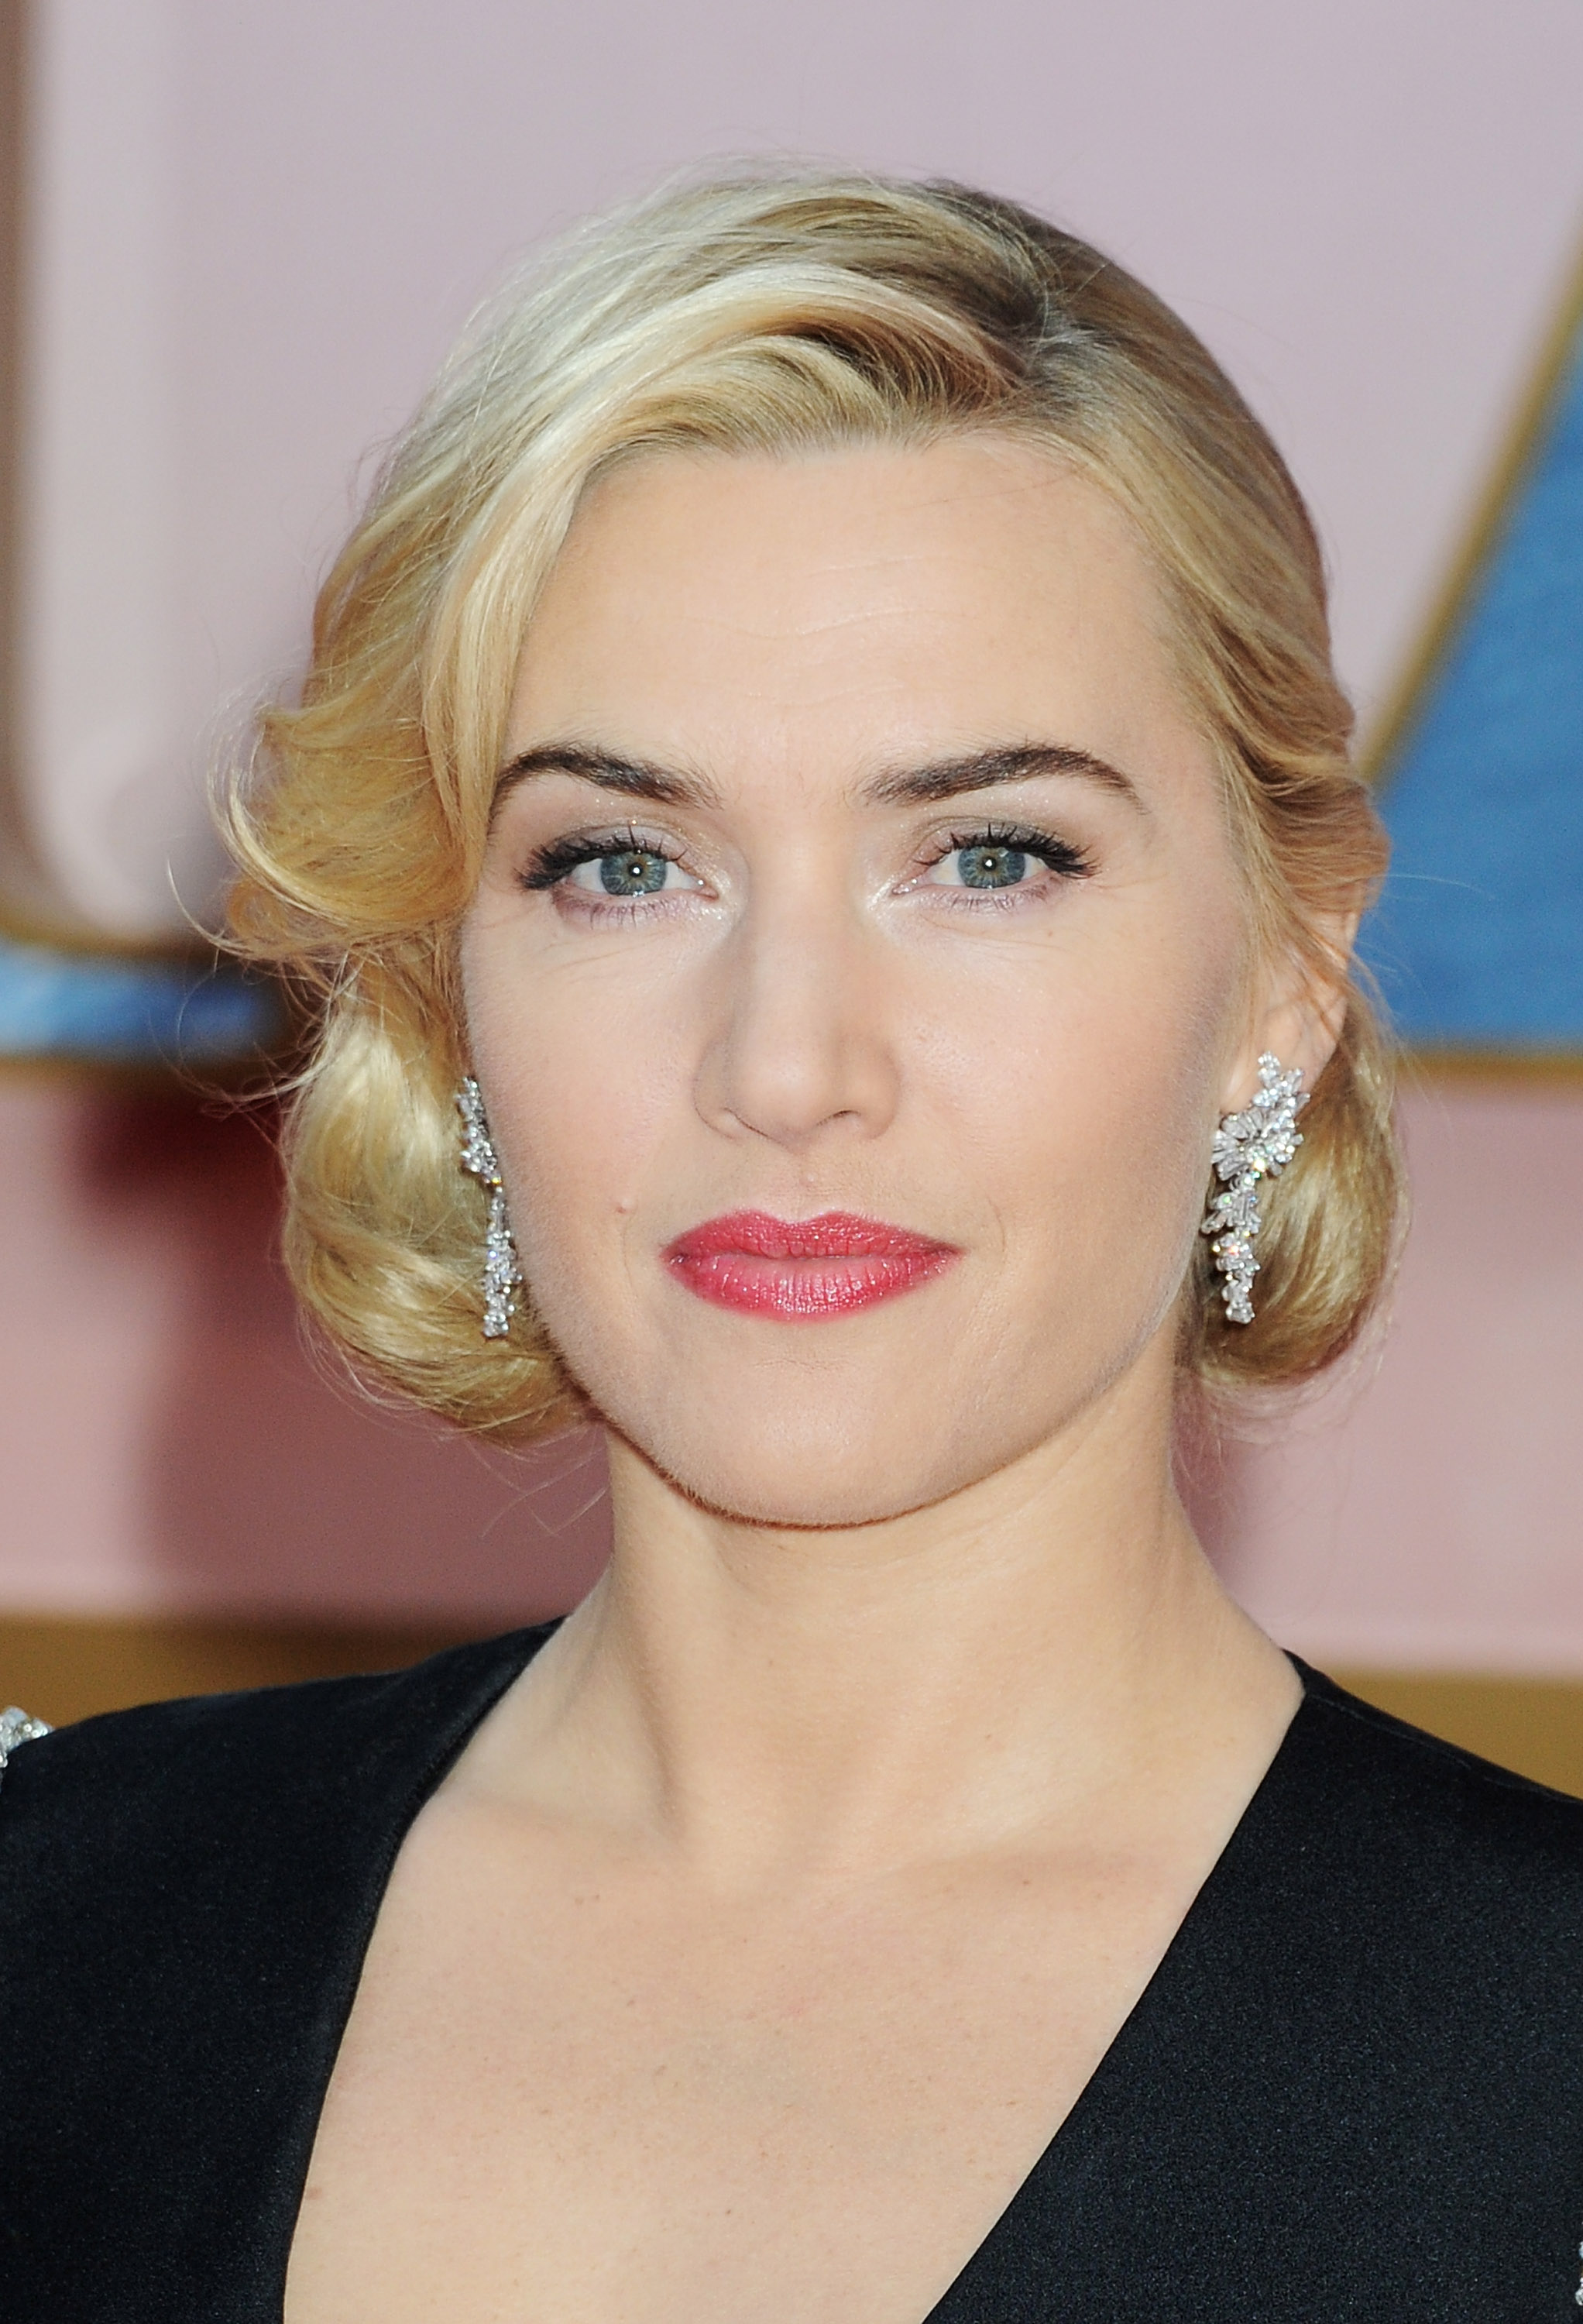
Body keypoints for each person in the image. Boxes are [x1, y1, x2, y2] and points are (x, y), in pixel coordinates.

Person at [3, 170, 1580, 2324]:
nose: (785, 1065)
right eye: (620, 865)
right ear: (450, 986)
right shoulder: (50, 1928)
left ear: (1286, 973)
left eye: (989, 857)